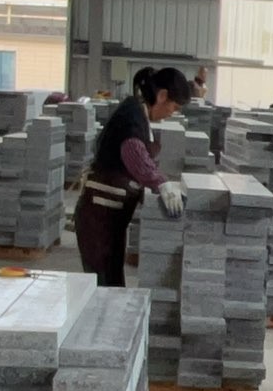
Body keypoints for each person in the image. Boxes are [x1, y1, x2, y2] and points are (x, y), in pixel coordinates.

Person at [74, 66, 191, 287]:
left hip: (111, 218)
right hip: (98, 218)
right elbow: (133, 152)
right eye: (174, 107)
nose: (172, 113)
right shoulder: (132, 116)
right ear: (162, 95)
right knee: (104, 286)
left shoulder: (138, 113)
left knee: (112, 283)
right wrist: (161, 183)